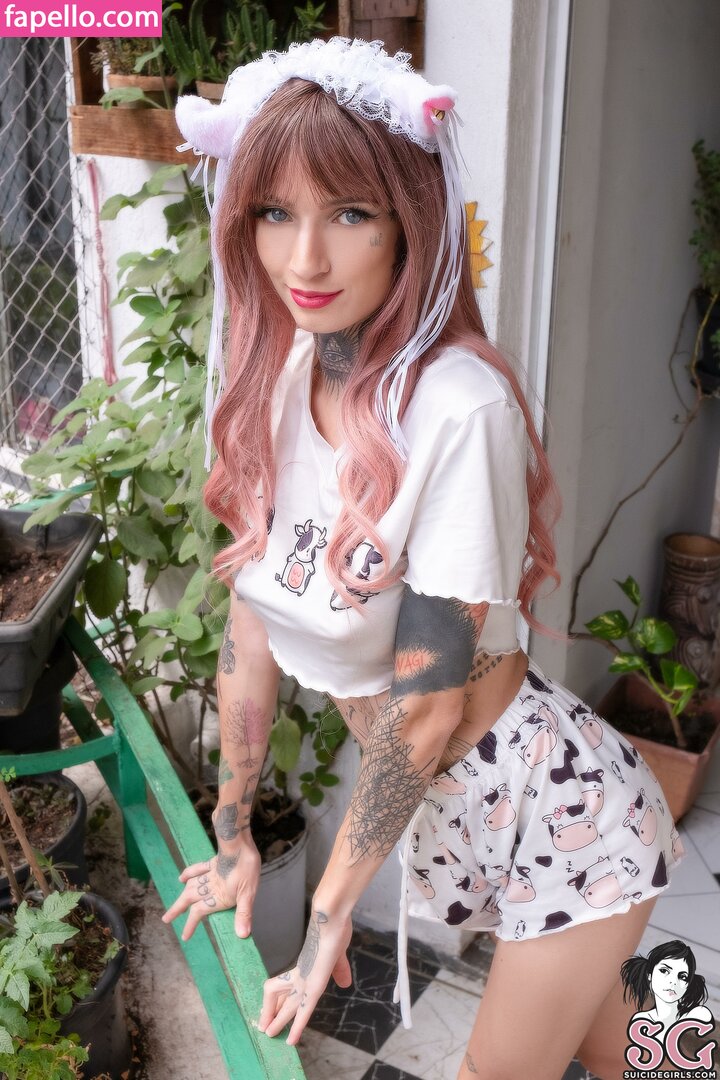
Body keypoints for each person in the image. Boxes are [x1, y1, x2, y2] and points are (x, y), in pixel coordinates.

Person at [163, 38, 685, 1079]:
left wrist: (325, 924)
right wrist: (232, 833)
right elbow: (250, 630)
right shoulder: (285, 380)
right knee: (632, 1050)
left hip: (564, 808)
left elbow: (430, 707)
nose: (305, 261)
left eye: (350, 213)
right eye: (275, 213)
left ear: (410, 222)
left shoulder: (460, 406)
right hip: (456, 815)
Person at [621, 940, 713, 1044]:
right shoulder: (641, 1019)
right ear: (649, 974)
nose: (673, 982)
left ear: (688, 985)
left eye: (682, 977)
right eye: (664, 971)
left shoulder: (699, 1015)